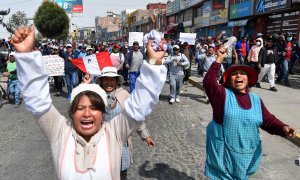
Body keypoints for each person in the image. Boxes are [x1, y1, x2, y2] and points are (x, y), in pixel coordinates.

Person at [11, 27, 167, 180]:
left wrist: (155, 61)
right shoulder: (60, 132)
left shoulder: (114, 133)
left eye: (94, 108)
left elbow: (140, 104)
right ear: (71, 113)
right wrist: (25, 55)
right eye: (80, 108)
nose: (87, 114)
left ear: (102, 112)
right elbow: (38, 102)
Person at [203, 46, 295, 179]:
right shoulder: (222, 96)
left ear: (247, 80)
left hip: (246, 157)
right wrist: (219, 59)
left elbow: (268, 120)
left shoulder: (256, 99)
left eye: (242, 73)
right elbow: (209, 83)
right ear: (229, 80)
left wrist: (283, 128)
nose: (238, 75)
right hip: (224, 157)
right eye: (234, 74)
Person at [84, 66, 155, 179]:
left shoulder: (124, 95)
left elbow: (135, 117)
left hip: (121, 143)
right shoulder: (94, 95)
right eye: (106, 79)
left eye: (112, 79)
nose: (109, 82)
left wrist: (146, 136)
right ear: (101, 81)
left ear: (116, 81)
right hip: (100, 142)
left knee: (121, 173)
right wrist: (86, 86)